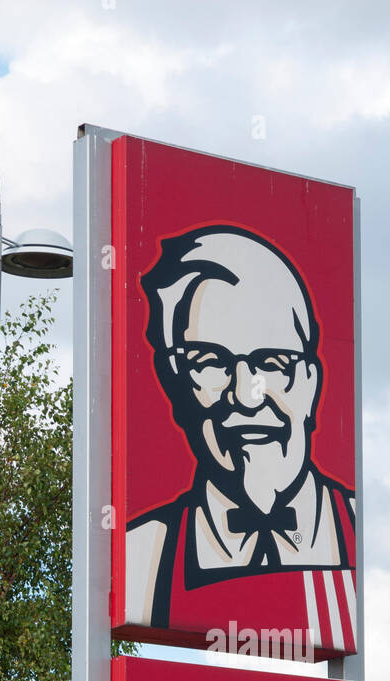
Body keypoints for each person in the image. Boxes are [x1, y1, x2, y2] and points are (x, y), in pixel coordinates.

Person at [125, 225, 356, 654]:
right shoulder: (139, 561)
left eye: (273, 362)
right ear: (177, 387)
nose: (247, 394)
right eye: (211, 361)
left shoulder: (363, 540)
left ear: (311, 382)